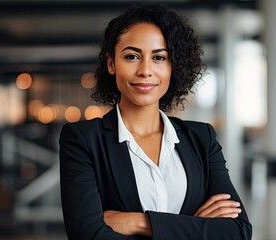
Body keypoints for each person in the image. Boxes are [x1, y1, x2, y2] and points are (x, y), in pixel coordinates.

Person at [59, 4, 252, 240]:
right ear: (111, 64)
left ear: (173, 66)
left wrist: (140, 222)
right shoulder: (83, 140)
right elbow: (88, 235)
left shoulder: (202, 138)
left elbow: (238, 231)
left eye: (159, 57)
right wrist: (196, 226)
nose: (146, 70)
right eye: (132, 57)